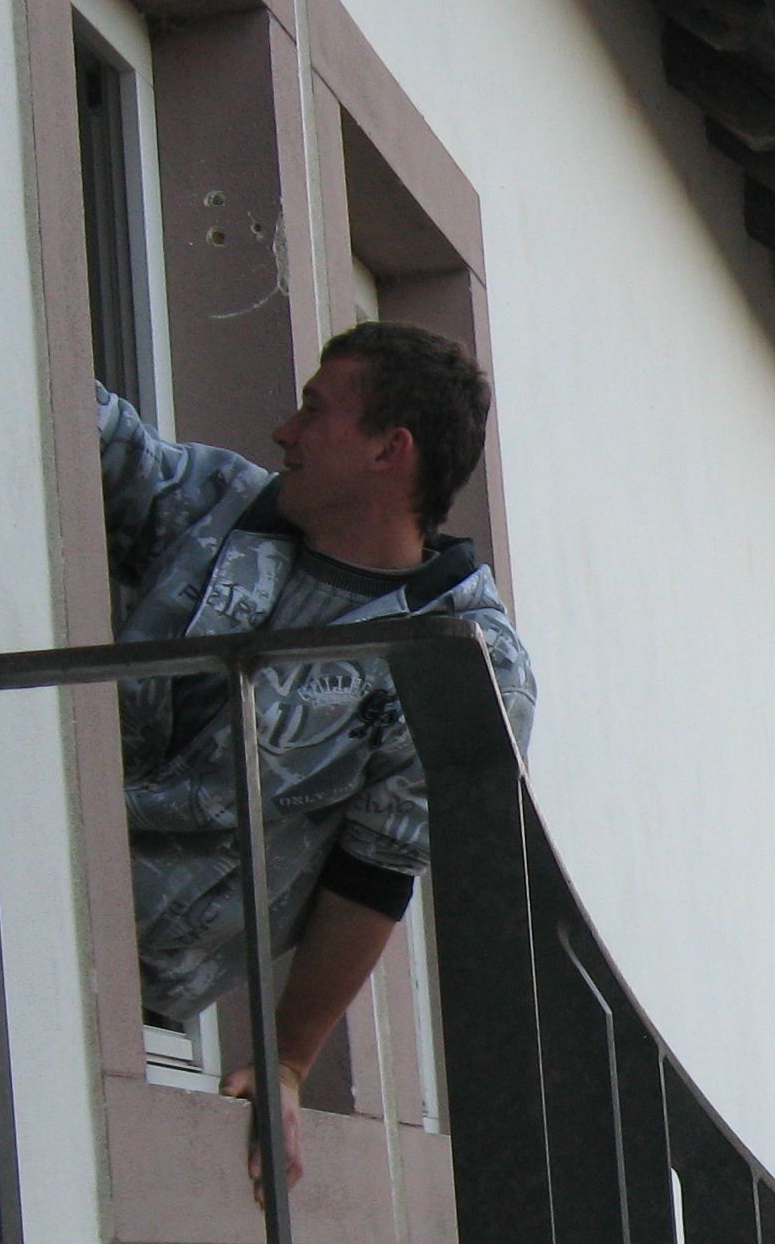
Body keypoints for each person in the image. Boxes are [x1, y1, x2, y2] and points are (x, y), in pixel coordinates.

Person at [99, 321, 536, 1199]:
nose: (284, 432)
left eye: (314, 410)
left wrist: (288, 1061)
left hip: (123, 989)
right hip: (6, 860)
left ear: (389, 449)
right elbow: (95, 435)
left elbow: (374, 874)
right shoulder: (215, 503)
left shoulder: (462, 661)